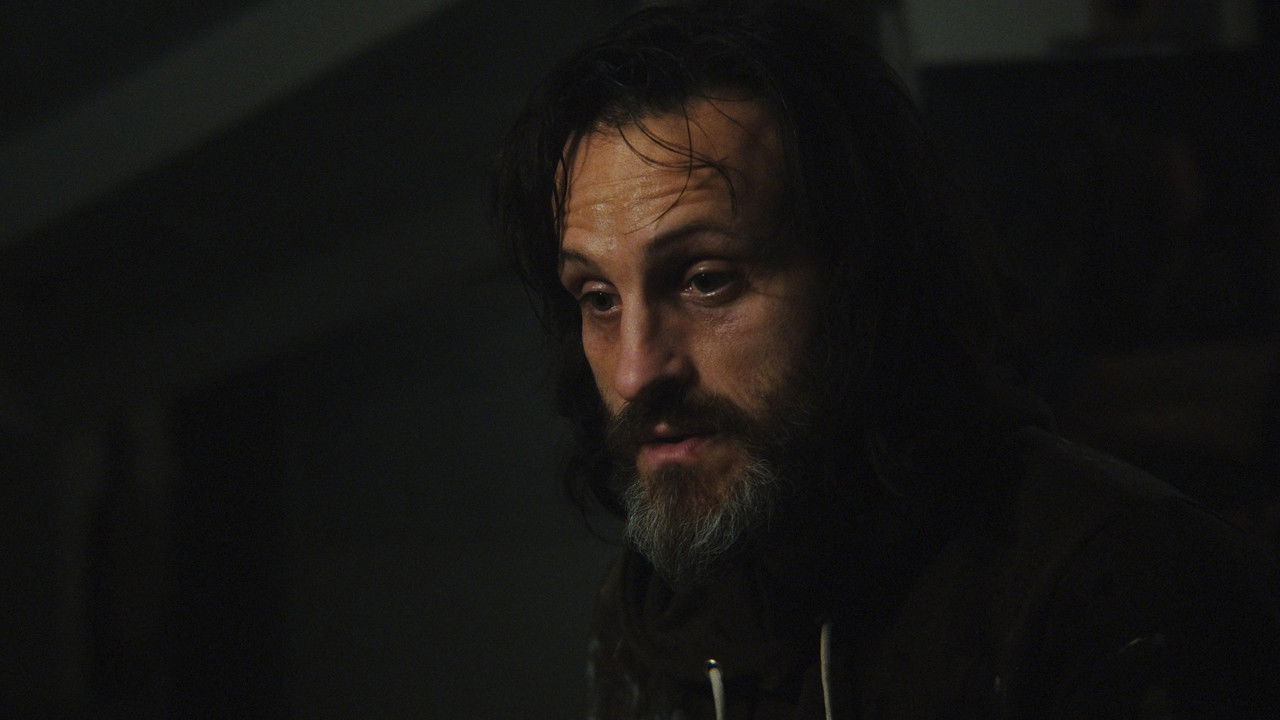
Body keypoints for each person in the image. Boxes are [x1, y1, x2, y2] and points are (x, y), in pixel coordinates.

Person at [495, 2, 1280, 717]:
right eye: (598, 297)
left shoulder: (1110, 589)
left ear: (864, 281)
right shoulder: (652, 605)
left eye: (706, 281)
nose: (635, 372)